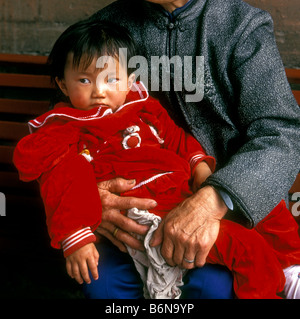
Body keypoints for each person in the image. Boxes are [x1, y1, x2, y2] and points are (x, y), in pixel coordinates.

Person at [85, 0, 300, 298]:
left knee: (212, 287)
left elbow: (281, 133)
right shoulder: (106, 31)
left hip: (223, 208)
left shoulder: (241, 29)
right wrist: (91, 197)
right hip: (137, 207)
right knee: (105, 288)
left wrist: (213, 200)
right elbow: (65, 125)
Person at [13, 20, 300, 299]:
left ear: (130, 80)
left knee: (256, 210)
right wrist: (76, 236)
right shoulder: (64, 128)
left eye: (111, 79)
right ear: (63, 85)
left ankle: (288, 272)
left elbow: (178, 139)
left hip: (182, 201)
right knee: (246, 249)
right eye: (85, 80)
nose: (99, 91)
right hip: (140, 219)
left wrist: (199, 166)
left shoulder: (145, 109)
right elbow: (60, 177)